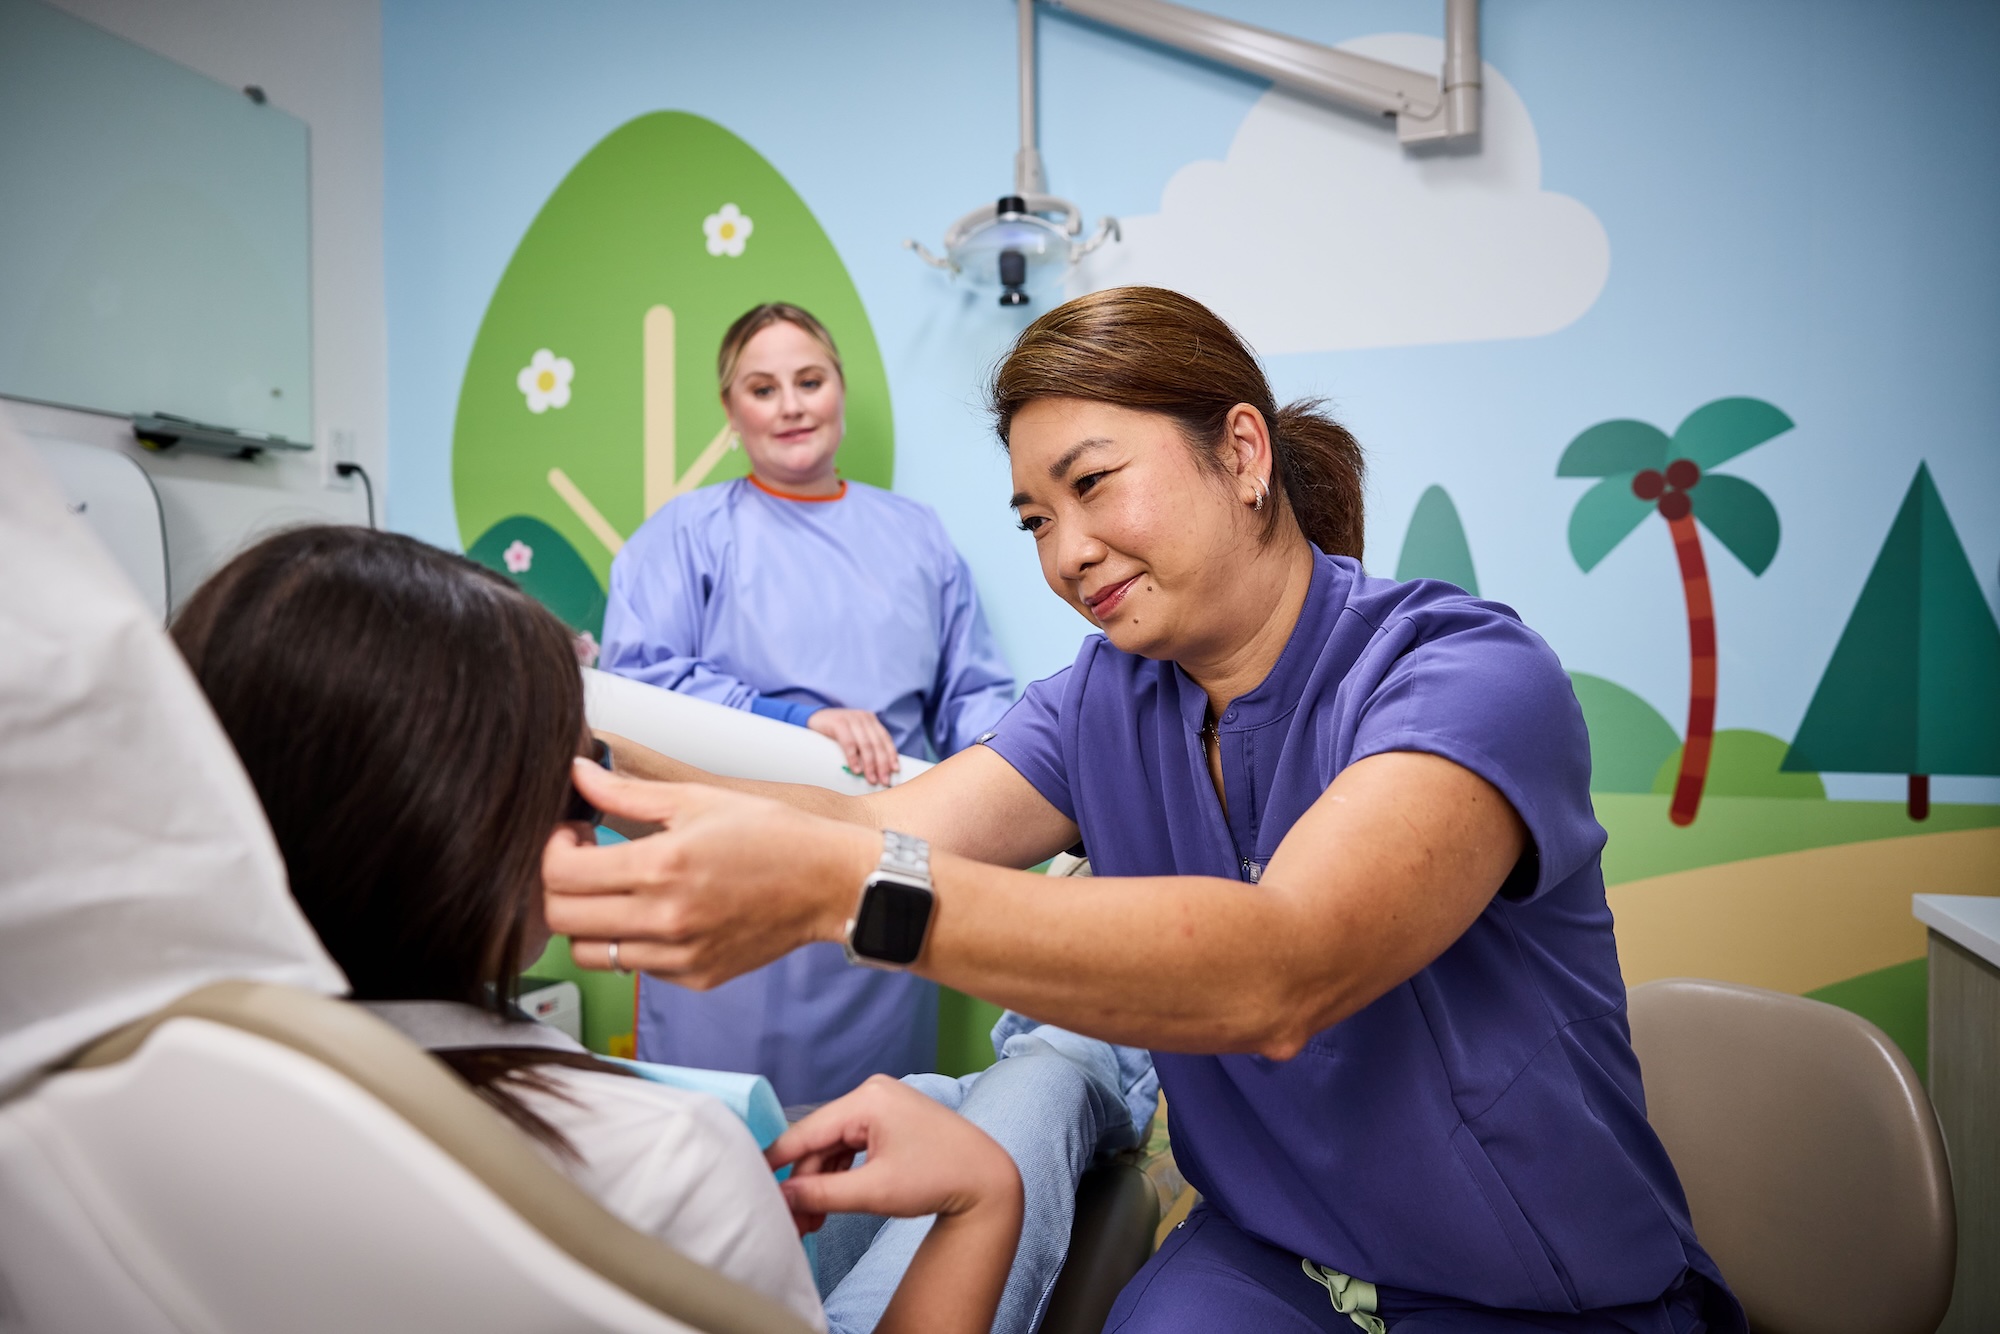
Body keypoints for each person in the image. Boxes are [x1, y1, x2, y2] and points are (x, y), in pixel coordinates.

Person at [545, 288, 1748, 1332]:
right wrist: (575, 753)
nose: (1065, 553)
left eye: (1090, 485)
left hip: (1532, 1290)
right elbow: (874, 828)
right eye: (1034, 519)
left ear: (1241, 453)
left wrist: (841, 893)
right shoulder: (1101, 702)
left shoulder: (1464, 676)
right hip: (1264, 1260)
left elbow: (1280, 967)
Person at [166, 525, 1030, 1334]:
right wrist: (982, 1202)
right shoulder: (669, 1157)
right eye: (569, 776)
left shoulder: (136, 1080)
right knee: (1036, 1092)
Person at [600, 302, 1016, 1104]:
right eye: (763, 389)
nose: (790, 405)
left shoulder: (917, 537)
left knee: (872, 1130)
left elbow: (972, 696)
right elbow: (640, 689)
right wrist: (800, 723)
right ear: (731, 411)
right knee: (720, 1134)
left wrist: (1027, 787)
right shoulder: (684, 537)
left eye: (809, 381)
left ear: (840, 391)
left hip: (879, 874)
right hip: (725, 863)